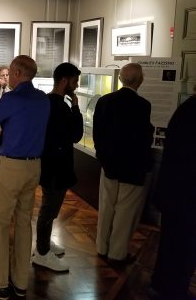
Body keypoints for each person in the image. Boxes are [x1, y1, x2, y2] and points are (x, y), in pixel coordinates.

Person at [0, 55, 50, 300]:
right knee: (24, 224)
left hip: (12, 167)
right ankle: (20, 283)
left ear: (16, 72)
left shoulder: (12, 98)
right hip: (34, 166)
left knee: (0, 224)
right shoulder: (43, 99)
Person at [93, 63, 154, 265]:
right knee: (125, 212)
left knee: (106, 206)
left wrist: (102, 156)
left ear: (120, 79)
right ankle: (117, 253)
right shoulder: (143, 105)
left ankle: (102, 247)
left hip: (109, 164)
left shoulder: (105, 101)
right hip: (132, 166)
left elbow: (98, 133)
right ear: (140, 80)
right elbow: (142, 139)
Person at [32, 63, 83, 272]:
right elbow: (76, 135)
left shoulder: (45, 101)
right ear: (64, 81)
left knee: (49, 208)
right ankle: (42, 253)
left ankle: (44, 245)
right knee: (49, 209)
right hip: (56, 167)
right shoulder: (61, 106)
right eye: (74, 81)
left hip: (49, 164)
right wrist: (77, 106)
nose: (76, 85)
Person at [149, 94, 196, 300]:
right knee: (184, 248)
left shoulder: (187, 108)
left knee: (170, 243)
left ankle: (161, 284)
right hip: (187, 196)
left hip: (175, 192)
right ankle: (174, 291)